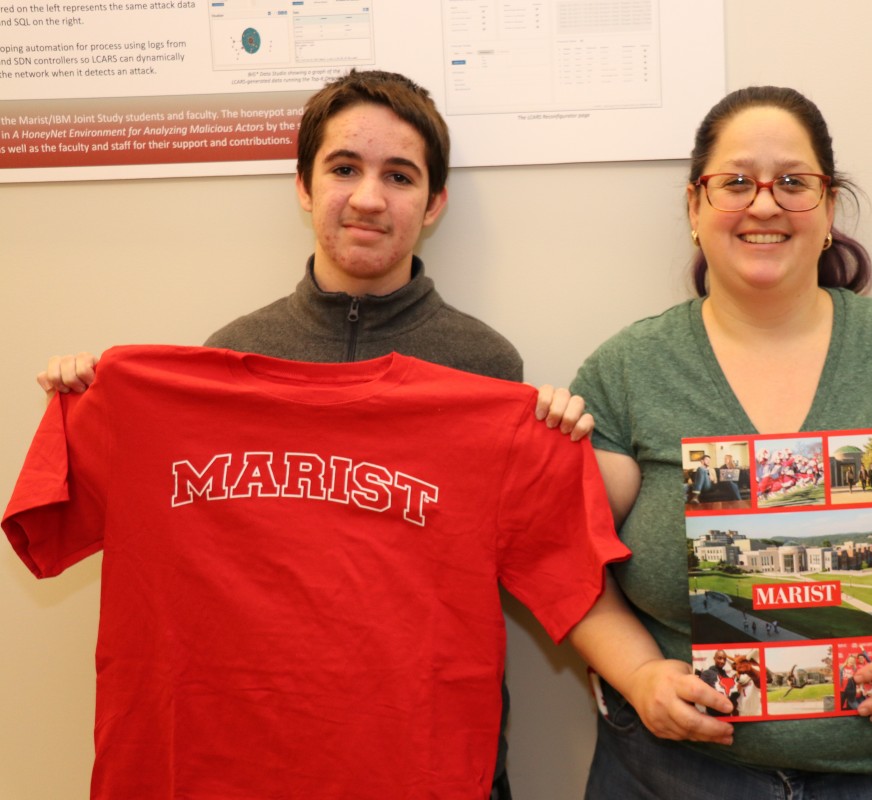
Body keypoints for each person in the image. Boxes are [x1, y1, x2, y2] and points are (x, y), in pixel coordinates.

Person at [32, 69, 595, 800]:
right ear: (303, 186)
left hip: (422, 767)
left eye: (399, 175)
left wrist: (554, 432)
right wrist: (95, 402)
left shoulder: (486, 369)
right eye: (343, 168)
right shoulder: (222, 360)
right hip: (244, 768)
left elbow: (551, 567)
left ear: (434, 204)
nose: (367, 197)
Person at [566, 86, 872, 798]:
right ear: (695, 210)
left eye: (794, 183)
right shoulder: (627, 372)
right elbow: (565, 554)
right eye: (735, 182)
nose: (764, 204)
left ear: (828, 212)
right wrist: (637, 673)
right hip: (680, 776)